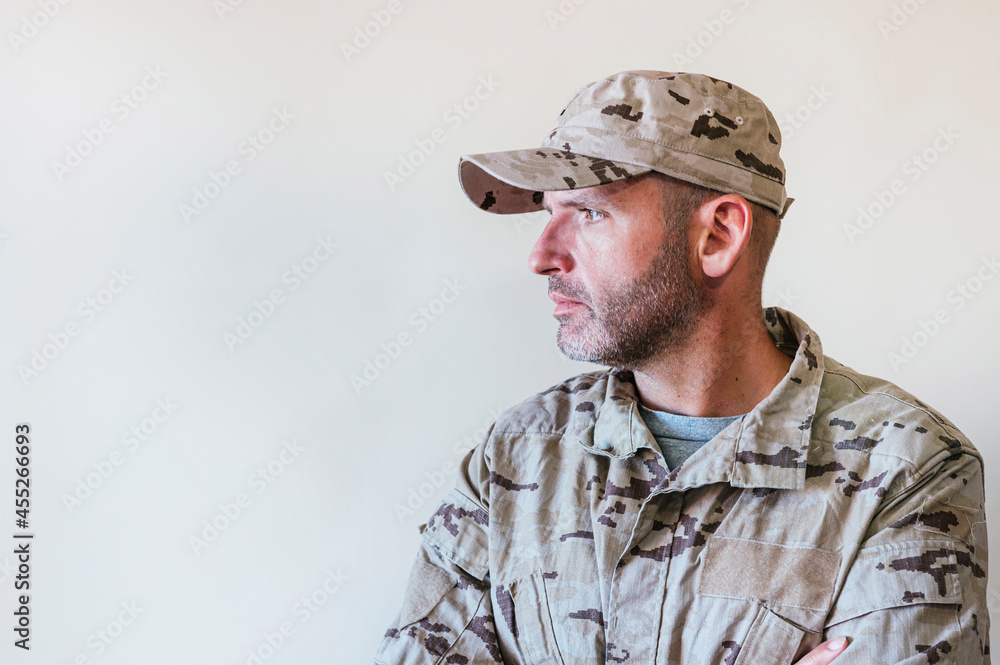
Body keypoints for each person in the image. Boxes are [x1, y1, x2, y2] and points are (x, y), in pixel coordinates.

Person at [373, 70, 989, 664]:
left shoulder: (905, 468)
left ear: (718, 236)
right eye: (547, 213)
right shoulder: (519, 452)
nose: (541, 256)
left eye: (588, 213)